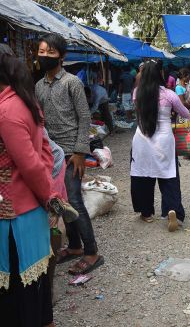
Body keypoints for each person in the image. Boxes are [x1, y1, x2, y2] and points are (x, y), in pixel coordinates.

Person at [35, 33, 104, 275]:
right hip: (50, 155)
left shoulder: (72, 82)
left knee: (74, 201)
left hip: (71, 153)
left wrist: (79, 152)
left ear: (61, 57)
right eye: (41, 51)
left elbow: (85, 118)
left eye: (50, 52)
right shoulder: (38, 86)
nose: (44, 56)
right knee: (60, 203)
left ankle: (92, 252)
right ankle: (74, 247)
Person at [0, 53, 58, 327]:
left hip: (15, 213)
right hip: (30, 206)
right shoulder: (26, 103)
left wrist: (46, 193)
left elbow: (31, 165)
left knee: (18, 282)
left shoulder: (7, 112)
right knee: (35, 280)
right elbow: (45, 153)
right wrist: (46, 191)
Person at [130, 61, 190, 230]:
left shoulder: (137, 93)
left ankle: (146, 213)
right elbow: (185, 114)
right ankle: (173, 211)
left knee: (143, 176)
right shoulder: (169, 94)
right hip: (164, 141)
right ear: (160, 74)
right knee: (169, 176)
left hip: (142, 139)